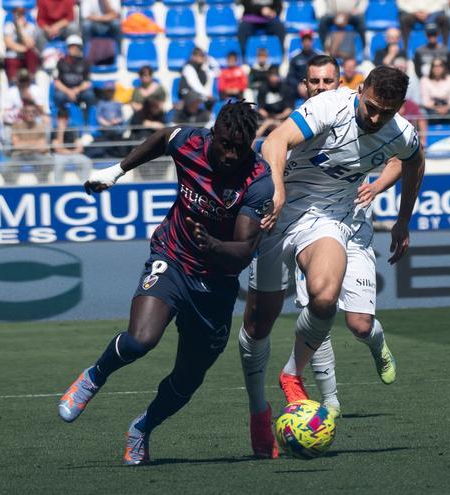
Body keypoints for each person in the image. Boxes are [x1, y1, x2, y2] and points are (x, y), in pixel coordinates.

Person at [57, 102, 274, 466]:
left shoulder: (257, 180)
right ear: (213, 134)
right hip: (172, 258)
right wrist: (117, 170)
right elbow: (162, 137)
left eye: (240, 148)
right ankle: (94, 376)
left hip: (216, 285)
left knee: (188, 379)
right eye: (225, 144)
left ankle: (142, 428)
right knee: (141, 339)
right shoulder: (190, 141)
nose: (231, 154)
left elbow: (244, 251)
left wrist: (216, 246)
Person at [239, 66, 425, 458]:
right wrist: (276, 190)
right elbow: (275, 142)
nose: (376, 119)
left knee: (324, 299)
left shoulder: (401, 133)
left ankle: (292, 373)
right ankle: (259, 409)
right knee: (258, 325)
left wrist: (404, 219)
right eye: (371, 107)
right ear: (360, 90)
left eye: (386, 113)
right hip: (275, 213)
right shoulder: (330, 106)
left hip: (325, 219)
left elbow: (414, 162)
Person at [283, 55, 408, 417]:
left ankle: (377, 342)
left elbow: (404, 157)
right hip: (310, 226)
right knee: (317, 309)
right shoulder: (304, 121)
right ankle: (331, 402)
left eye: (327, 82)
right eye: (314, 82)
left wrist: (379, 186)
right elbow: (273, 150)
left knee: (359, 323)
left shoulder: (373, 119)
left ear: (342, 85)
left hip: (353, 228)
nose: (320, 88)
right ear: (305, 86)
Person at [5, 99, 51, 184]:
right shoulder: (16, 125)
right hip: (19, 155)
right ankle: (11, 189)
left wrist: (24, 144)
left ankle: (42, 186)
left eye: (33, 111)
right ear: (23, 113)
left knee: (48, 162)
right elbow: (16, 146)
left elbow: (43, 147)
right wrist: (35, 143)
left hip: (36, 154)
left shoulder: (41, 126)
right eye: (27, 111)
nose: (31, 114)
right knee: (6, 169)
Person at [54, 35, 97, 116]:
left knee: (89, 95)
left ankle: (87, 119)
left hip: (80, 92)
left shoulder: (86, 63)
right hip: (65, 92)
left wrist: (76, 90)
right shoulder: (60, 62)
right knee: (58, 96)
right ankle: (61, 119)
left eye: (76, 46)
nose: (73, 49)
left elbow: (88, 82)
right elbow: (57, 82)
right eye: (71, 46)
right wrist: (68, 92)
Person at [51, 108, 93, 183]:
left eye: (65, 118)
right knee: (58, 164)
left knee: (86, 161)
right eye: (61, 118)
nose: (64, 120)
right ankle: (58, 185)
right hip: (60, 156)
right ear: (57, 119)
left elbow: (80, 148)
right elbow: (58, 149)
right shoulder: (53, 131)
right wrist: (61, 131)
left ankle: (84, 184)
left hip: (73, 154)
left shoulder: (72, 130)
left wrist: (72, 153)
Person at [4, 6, 42, 84]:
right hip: (14, 56)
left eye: (21, 14)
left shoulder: (31, 26)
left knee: (32, 53)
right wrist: (23, 49)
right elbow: (8, 43)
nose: (19, 16)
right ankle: (13, 81)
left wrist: (21, 28)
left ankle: (31, 78)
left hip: (27, 58)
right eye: (17, 14)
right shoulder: (9, 25)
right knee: (10, 59)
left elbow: (30, 44)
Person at [420, 57, 450, 124]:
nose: (437, 68)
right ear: (431, 68)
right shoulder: (424, 80)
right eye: (435, 66)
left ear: (444, 67)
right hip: (431, 109)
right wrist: (437, 108)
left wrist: (445, 108)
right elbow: (425, 101)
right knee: (421, 112)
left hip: (449, 109)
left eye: (440, 66)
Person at [256, 67, 293, 136]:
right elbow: (260, 109)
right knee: (262, 128)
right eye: (272, 76)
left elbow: (289, 109)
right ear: (268, 76)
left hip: (281, 118)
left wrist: (279, 117)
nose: (274, 78)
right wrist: (269, 118)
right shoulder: (262, 88)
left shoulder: (286, 88)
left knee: (280, 126)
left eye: (275, 75)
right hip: (267, 118)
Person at [287, 30, 322, 99]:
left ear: (312, 41)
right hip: (299, 90)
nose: (307, 43)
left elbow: (323, 74)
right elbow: (290, 76)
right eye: (305, 40)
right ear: (301, 42)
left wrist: (312, 86)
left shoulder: (319, 57)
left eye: (309, 40)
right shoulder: (295, 57)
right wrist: (298, 85)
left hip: (316, 88)